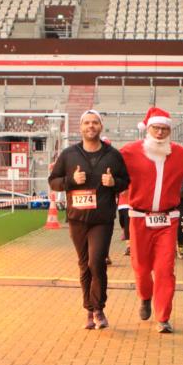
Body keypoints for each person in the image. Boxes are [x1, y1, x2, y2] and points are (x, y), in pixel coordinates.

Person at [120, 106, 183, 333]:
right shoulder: (130, 151)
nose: (159, 133)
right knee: (141, 267)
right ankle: (145, 296)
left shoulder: (179, 153)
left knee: (165, 269)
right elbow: (109, 164)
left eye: (165, 129)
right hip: (138, 219)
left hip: (168, 220)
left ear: (170, 131)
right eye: (156, 128)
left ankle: (163, 317)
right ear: (148, 129)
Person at [48, 110, 130, 330]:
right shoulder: (68, 154)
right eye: (86, 123)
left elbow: (126, 181)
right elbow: (53, 181)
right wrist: (70, 180)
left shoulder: (113, 154)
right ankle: (89, 311)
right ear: (80, 127)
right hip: (77, 219)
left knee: (97, 262)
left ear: (101, 127)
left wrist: (114, 182)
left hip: (102, 219)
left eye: (95, 123)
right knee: (84, 265)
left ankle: (99, 308)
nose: (90, 126)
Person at [117, 188, 131, 256]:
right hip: (120, 206)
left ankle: (129, 247)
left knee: (127, 225)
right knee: (122, 223)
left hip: (129, 204)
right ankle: (124, 231)